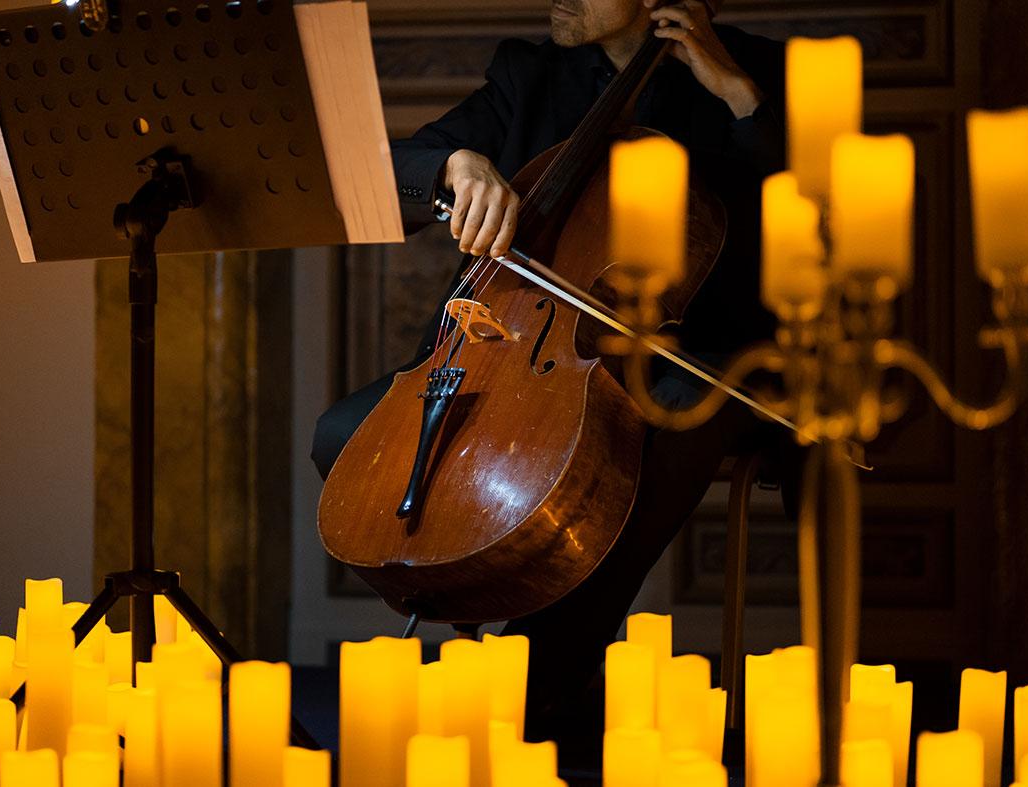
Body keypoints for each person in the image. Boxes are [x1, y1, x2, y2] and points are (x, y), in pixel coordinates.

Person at [313, 0, 796, 747]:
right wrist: (455, 163)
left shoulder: (756, 70)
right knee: (342, 433)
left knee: (679, 408)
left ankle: (548, 667)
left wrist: (738, 96)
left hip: (700, 348)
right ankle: (505, 636)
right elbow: (401, 172)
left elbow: (816, 209)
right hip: (529, 350)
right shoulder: (527, 73)